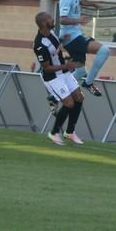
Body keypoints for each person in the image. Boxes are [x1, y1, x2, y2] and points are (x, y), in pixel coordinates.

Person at [33, 11, 85, 146]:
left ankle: (70, 132)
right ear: (44, 23)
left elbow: (57, 48)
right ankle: (54, 133)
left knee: (79, 97)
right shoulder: (39, 44)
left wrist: (66, 48)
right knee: (69, 103)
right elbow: (46, 67)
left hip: (64, 72)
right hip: (52, 78)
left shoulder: (52, 34)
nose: (52, 19)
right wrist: (66, 65)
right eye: (50, 18)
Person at [57, 0, 110, 97]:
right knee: (104, 50)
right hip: (71, 37)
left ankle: (55, 94)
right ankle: (89, 83)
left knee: (80, 71)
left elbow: (82, 1)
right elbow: (62, 20)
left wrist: (93, 4)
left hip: (75, 36)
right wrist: (79, 20)